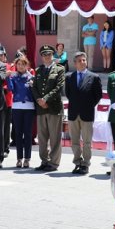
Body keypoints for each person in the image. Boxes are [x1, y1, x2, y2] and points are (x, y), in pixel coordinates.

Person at [65, 51, 103, 175]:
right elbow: (68, 94)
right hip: (73, 113)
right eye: (80, 61)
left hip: (87, 113)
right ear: (75, 63)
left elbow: (98, 95)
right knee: (74, 140)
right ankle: (77, 162)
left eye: (84, 60)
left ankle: (86, 164)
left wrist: (88, 105)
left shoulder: (94, 77)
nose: (82, 62)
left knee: (87, 141)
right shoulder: (70, 77)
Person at [31, 44, 65, 172]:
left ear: (53, 55)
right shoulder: (38, 70)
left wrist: (46, 99)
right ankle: (44, 161)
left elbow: (59, 87)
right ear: (41, 57)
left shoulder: (59, 69)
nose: (47, 57)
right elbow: (34, 87)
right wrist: (39, 100)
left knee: (55, 137)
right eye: (44, 55)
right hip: (41, 108)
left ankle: (54, 162)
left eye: (49, 54)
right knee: (42, 137)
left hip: (54, 107)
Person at [7, 55, 35, 168]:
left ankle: (27, 158)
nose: (20, 66)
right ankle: (19, 158)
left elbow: (35, 92)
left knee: (27, 134)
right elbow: (11, 89)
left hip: (29, 107)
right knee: (18, 134)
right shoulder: (14, 77)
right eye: (18, 64)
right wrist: (7, 78)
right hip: (17, 106)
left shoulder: (32, 77)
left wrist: (33, 86)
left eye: (23, 64)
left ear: (27, 65)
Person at [0, 45, 12, 157]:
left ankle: (5, 147)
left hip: (6, 100)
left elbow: (10, 84)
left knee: (6, 126)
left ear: (5, 56)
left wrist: (2, 88)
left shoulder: (10, 67)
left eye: (1, 55)